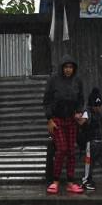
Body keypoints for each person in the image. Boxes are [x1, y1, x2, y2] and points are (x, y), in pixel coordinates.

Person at [43, 54, 85, 194]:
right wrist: (49, 119)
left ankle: (70, 183)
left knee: (72, 152)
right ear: (62, 68)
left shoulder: (77, 81)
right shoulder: (53, 80)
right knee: (61, 150)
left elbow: (80, 100)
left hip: (71, 120)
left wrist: (79, 112)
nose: (68, 70)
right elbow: (47, 101)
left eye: (71, 67)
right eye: (66, 67)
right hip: (57, 120)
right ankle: (55, 182)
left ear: (74, 69)